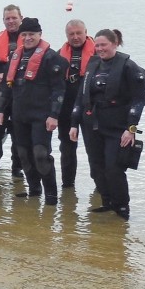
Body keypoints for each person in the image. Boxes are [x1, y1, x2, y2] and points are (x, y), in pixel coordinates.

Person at [69, 29, 145, 219]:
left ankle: (122, 207)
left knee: (114, 168)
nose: (100, 49)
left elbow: (139, 101)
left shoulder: (129, 67)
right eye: (97, 45)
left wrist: (131, 130)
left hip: (118, 128)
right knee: (96, 167)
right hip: (92, 125)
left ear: (115, 44)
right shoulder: (93, 63)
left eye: (104, 45)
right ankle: (107, 202)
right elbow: (81, 96)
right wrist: (74, 123)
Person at [0, 17, 69, 205]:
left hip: (41, 116)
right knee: (23, 154)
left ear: (40, 35)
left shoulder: (52, 58)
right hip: (19, 115)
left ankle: (51, 196)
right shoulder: (15, 56)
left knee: (40, 154)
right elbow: (6, 87)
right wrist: (0, 110)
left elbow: (59, 89)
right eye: (25, 34)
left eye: (32, 34)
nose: (28, 38)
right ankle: (34, 190)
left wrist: (54, 115)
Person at [0, 4, 24, 177]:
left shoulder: (29, 39)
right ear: (3, 20)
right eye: (7, 18)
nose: (11, 21)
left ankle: (17, 169)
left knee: (18, 133)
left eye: (14, 17)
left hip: (21, 94)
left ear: (20, 18)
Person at [57, 19, 95, 189]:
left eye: (79, 33)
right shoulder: (59, 55)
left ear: (86, 32)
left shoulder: (98, 53)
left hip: (91, 108)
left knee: (93, 148)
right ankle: (67, 186)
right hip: (66, 108)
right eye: (71, 34)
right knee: (66, 148)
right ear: (66, 36)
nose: (76, 37)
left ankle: (100, 186)